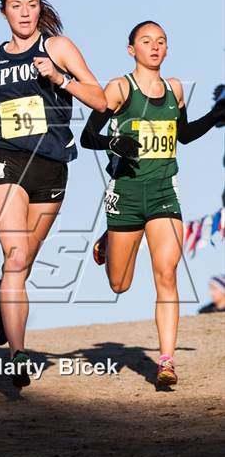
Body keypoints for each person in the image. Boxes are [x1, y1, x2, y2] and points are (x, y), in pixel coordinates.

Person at [0, 0, 106, 387]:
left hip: (53, 166)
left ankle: (1, 302)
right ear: (3, 10)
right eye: (16, 5)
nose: (24, 12)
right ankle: (17, 354)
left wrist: (59, 78)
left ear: (41, 9)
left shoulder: (57, 48)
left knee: (20, 265)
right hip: (5, 161)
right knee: (18, 256)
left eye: (32, 5)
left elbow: (101, 99)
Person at [81, 20, 225, 386]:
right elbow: (87, 137)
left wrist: (214, 116)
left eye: (161, 41)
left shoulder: (175, 89)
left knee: (166, 274)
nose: (155, 47)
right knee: (119, 284)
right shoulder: (118, 89)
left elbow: (185, 135)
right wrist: (115, 144)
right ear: (132, 50)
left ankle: (166, 361)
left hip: (164, 195)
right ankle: (108, 240)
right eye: (146, 42)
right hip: (126, 196)